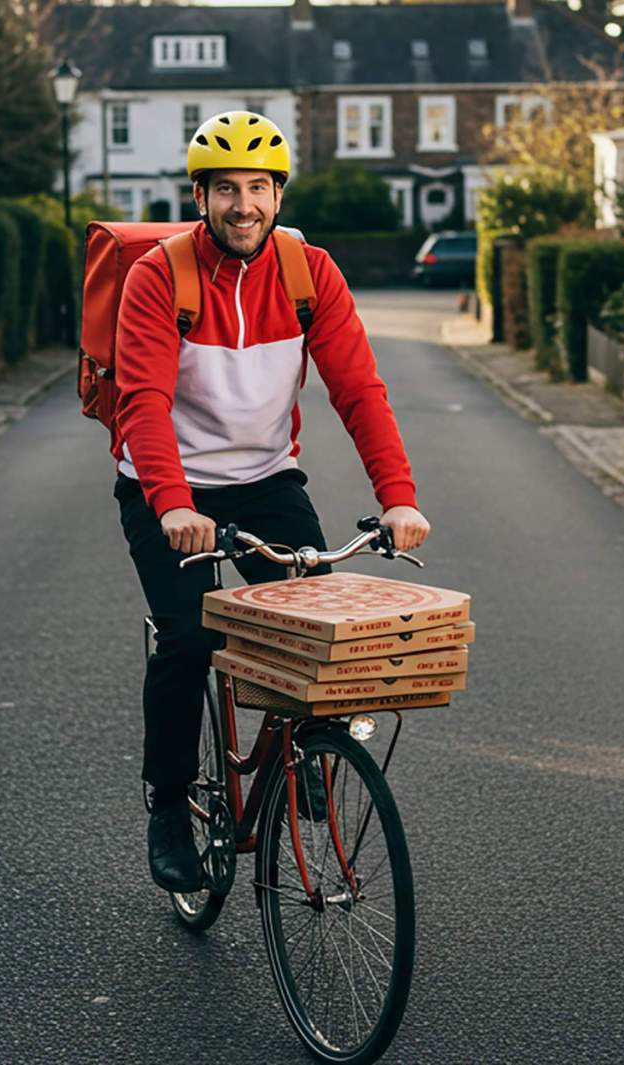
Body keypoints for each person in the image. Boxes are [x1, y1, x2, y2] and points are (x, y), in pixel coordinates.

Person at [112, 110, 430, 893]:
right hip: (166, 484)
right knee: (188, 639)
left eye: (258, 187)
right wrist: (171, 504)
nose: (243, 204)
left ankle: (308, 747)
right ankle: (166, 802)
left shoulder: (308, 273)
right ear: (200, 195)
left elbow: (357, 390)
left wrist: (397, 498)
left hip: (265, 479)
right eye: (226, 189)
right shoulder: (161, 275)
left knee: (320, 625)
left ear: (278, 194)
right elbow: (143, 402)